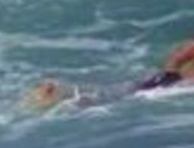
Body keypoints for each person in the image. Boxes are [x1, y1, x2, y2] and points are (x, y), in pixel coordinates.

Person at [24, 39, 194, 112]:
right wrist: (170, 76)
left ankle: (58, 93)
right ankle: (55, 93)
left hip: (172, 85)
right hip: (168, 84)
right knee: (112, 97)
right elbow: (178, 56)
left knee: (114, 95)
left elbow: (178, 55)